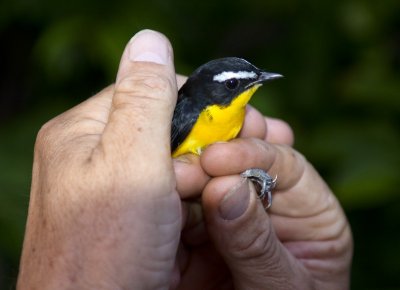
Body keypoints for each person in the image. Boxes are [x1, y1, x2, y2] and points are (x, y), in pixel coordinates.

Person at [16, 29, 353, 290]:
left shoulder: (235, 118)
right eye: (236, 84)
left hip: (199, 216)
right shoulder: (190, 113)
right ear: (214, 93)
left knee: (228, 171)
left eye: (252, 81)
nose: (249, 87)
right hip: (174, 207)